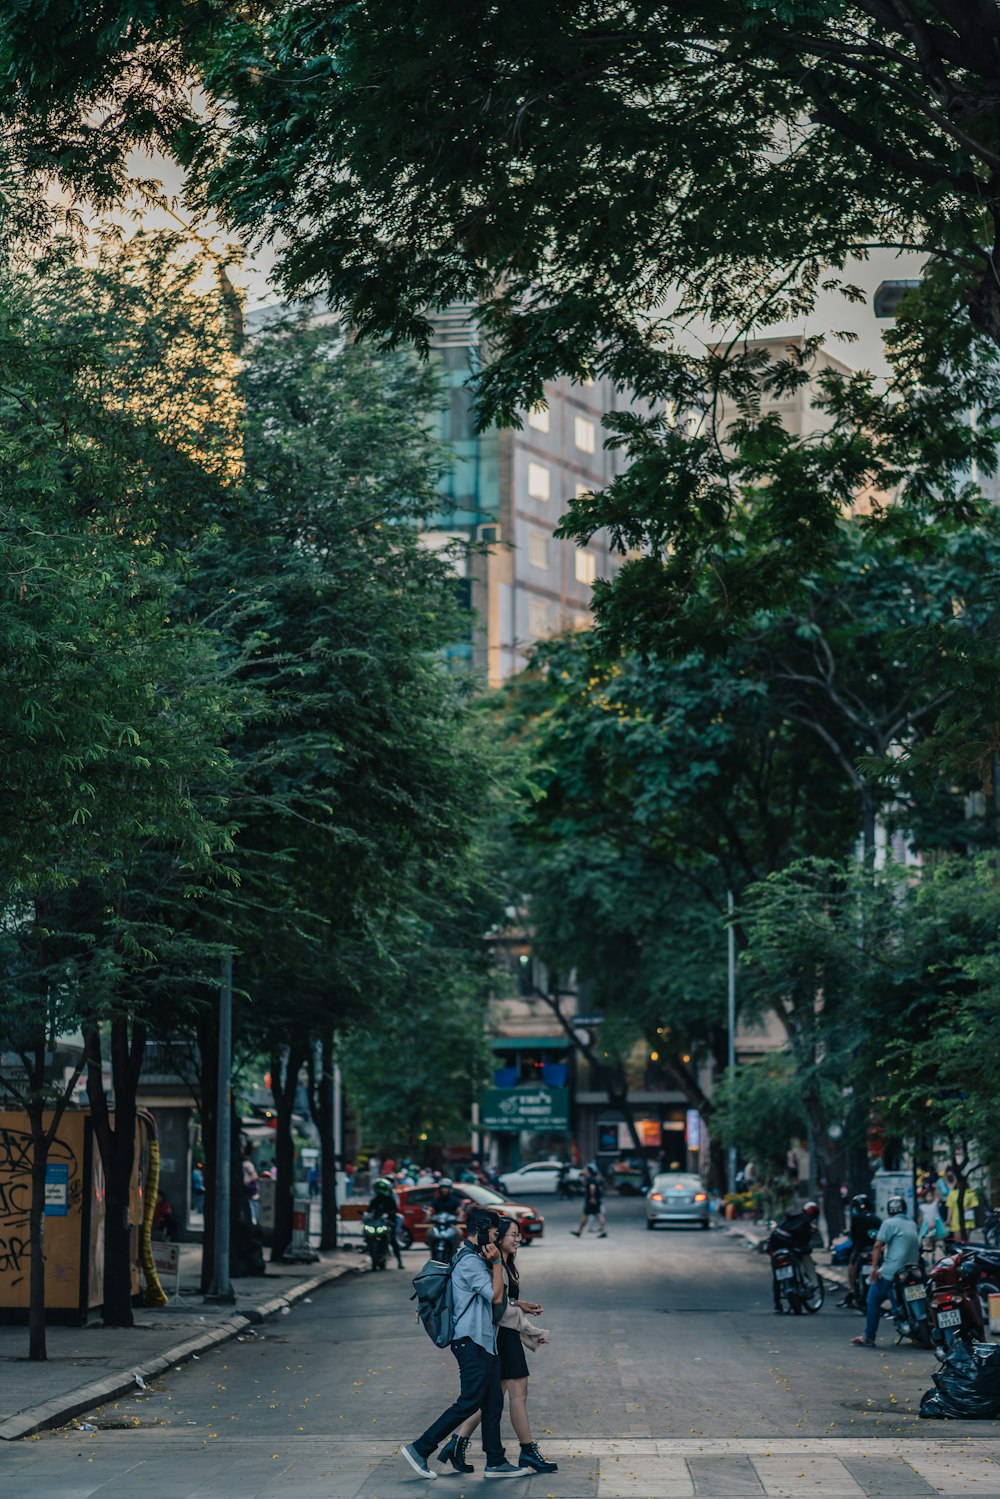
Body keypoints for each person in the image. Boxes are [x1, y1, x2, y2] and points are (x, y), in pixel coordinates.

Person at [401, 1208, 522, 1480]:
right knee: (468, 1401)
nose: (496, 1235)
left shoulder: (476, 1258)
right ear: (480, 1229)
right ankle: (421, 1448)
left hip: (485, 1342)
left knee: (492, 1404)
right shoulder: (470, 1262)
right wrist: (497, 1264)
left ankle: (496, 1461)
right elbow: (495, 1296)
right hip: (471, 1342)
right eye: (493, 1230)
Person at [439, 1217, 557, 1476]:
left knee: (496, 1396)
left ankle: (457, 1443)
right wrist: (531, 1331)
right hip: (501, 1336)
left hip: (506, 1335)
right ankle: (527, 1451)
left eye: (519, 1235)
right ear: (497, 1236)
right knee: (515, 1393)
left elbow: (505, 1303)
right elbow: (498, 1308)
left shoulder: (504, 1264)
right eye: (512, 1234)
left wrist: (520, 1304)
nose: (518, 1239)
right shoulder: (494, 1265)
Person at [852, 1195, 921, 1347]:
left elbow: (877, 1245)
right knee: (895, 1297)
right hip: (912, 1269)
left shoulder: (889, 1223)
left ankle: (869, 1336)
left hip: (893, 1270)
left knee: (872, 1301)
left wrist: (874, 1268)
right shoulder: (911, 1223)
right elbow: (898, 1243)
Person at [767, 1201, 820, 1311]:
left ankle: (777, 1302)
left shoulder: (791, 1218)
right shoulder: (805, 1223)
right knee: (802, 1260)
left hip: (775, 1248)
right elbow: (804, 1243)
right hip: (789, 1250)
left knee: (777, 1277)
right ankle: (808, 1284)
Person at [839, 1194, 881, 1309]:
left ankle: (852, 1289)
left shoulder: (857, 1219)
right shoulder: (877, 1219)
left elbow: (854, 1237)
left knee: (851, 1264)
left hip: (861, 1249)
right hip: (875, 1251)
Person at [367, 1175, 404, 1269]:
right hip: (377, 1222)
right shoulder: (375, 1200)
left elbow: (395, 1210)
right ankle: (372, 1255)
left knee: (393, 1239)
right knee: (368, 1236)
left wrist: (389, 1215)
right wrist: (367, 1216)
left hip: (388, 1222)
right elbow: (369, 1210)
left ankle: (399, 1261)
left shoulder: (391, 1198)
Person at [571, 1163, 607, 1237]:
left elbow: (592, 1187)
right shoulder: (591, 1178)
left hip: (592, 1200)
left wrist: (592, 1197)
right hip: (593, 1199)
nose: (583, 1170)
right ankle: (579, 1231)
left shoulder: (591, 1179)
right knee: (589, 1215)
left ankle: (603, 1231)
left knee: (598, 1215)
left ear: (588, 1171)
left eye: (585, 1169)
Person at [242, 1150, 260, 1224]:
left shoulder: (242, 1164)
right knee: (252, 1204)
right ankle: (253, 1220)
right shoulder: (248, 1164)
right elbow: (254, 1175)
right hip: (250, 1187)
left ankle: (249, 1220)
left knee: (248, 1204)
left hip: (246, 1187)